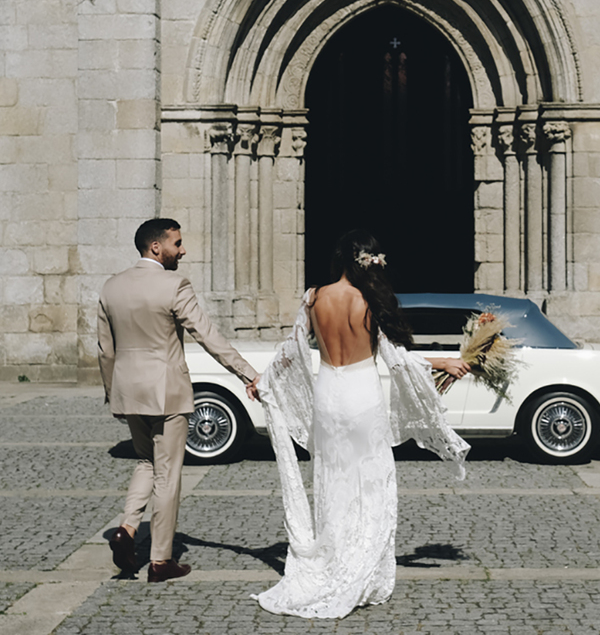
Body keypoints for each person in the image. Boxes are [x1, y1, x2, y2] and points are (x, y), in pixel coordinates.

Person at [254, 230, 471, 618]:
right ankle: (360, 570)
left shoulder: (313, 297)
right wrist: (444, 362)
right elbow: (396, 357)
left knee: (332, 479)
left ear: (339, 259)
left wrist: (264, 380)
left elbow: (292, 348)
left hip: (327, 394)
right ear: (370, 261)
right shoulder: (368, 300)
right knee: (370, 482)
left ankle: (333, 558)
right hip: (360, 395)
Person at [97, 217, 260, 583]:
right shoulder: (174, 285)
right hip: (167, 391)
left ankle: (126, 527)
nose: (182, 250)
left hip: (128, 390)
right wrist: (248, 373)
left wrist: (113, 393)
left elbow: (105, 350)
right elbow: (207, 335)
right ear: (156, 247)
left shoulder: (111, 287)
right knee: (168, 473)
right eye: (177, 243)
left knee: (145, 461)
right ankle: (160, 560)